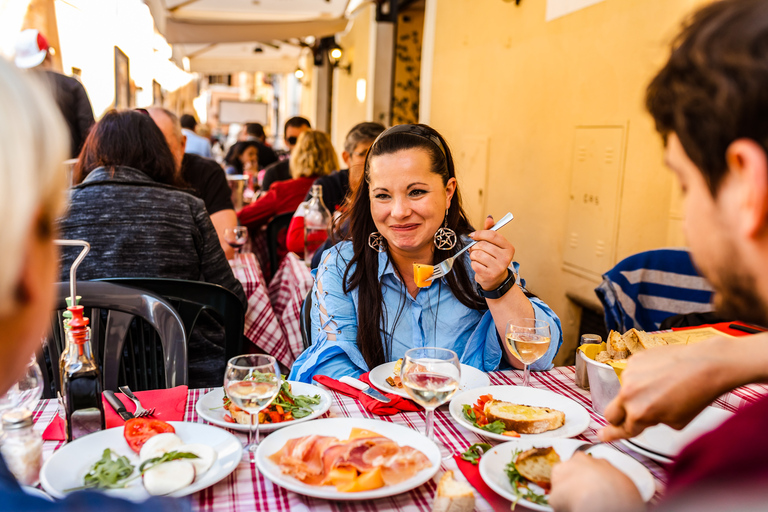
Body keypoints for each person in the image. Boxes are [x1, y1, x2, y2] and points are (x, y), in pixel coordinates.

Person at [550, 2, 768, 510]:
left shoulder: (738, 462)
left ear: (745, 186)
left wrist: (611, 504)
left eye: (684, 182)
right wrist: (737, 356)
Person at [0, 57, 187, 512]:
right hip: (179, 396)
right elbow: (230, 303)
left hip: (66, 397)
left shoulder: (71, 206)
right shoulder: (186, 206)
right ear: (25, 269)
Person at [289, 124, 562, 382]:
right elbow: (331, 367)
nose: (399, 212)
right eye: (383, 195)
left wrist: (499, 285)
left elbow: (535, 360)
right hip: (379, 421)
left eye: (416, 192)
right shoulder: (342, 265)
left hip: (467, 420)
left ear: (448, 192)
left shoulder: (475, 260)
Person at [58, 109, 246, 388]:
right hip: (187, 381)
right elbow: (231, 299)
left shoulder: (52, 211)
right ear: (156, 152)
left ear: (89, 153)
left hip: (75, 382)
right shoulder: (187, 208)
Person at [285, 121, 386, 259]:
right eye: (364, 153)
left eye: (379, 152)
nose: (372, 160)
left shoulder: (392, 190)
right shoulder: (325, 186)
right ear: (346, 158)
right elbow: (296, 241)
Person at [148, 108, 237, 259]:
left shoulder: (207, 173)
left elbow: (226, 242)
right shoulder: (122, 178)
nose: (154, 157)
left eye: (163, 148)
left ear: (182, 144)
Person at [13, 29, 94, 159]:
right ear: (48, 55)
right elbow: (89, 133)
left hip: (29, 171)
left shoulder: (14, 90)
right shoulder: (72, 86)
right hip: (69, 169)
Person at [237, 130, 338, 232]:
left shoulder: (283, 191)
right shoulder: (342, 189)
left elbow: (242, 218)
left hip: (291, 247)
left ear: (297, 157)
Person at [261, 116, 311, 191]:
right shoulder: (274, 172)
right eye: (293, 140)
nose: (299, 145)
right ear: (285, 142)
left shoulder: (323, 172)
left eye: (303, 140)